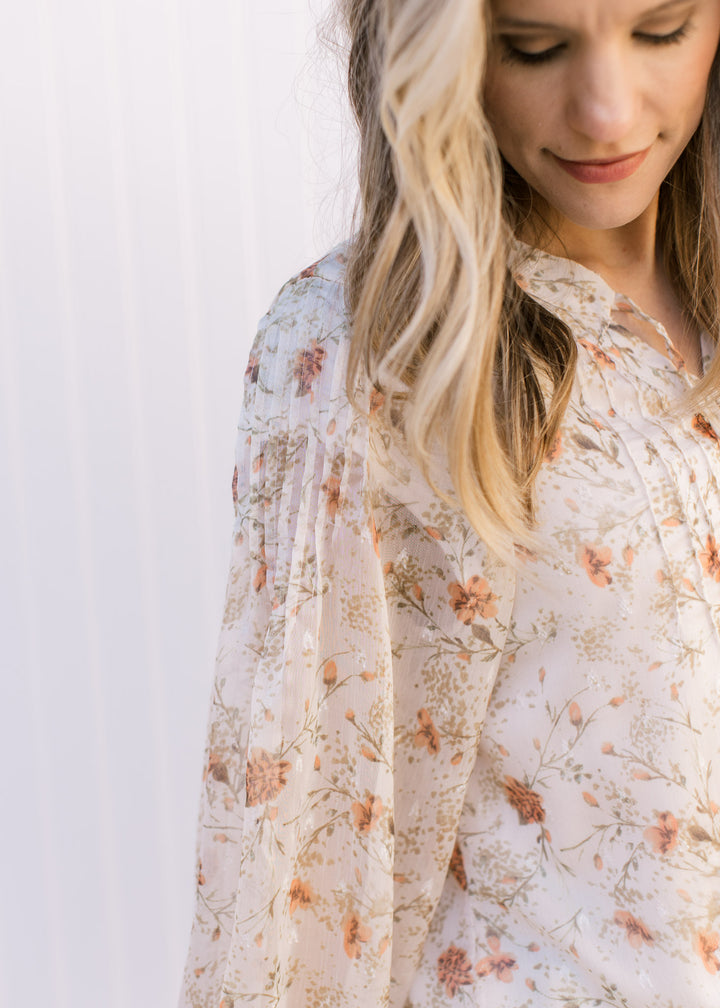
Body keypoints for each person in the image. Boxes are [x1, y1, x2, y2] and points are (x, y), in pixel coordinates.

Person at [178, 0, 720, 1004]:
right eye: (534, 47)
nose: (605, 112)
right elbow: (302, 855)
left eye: (662, 29)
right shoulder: (359, 357)